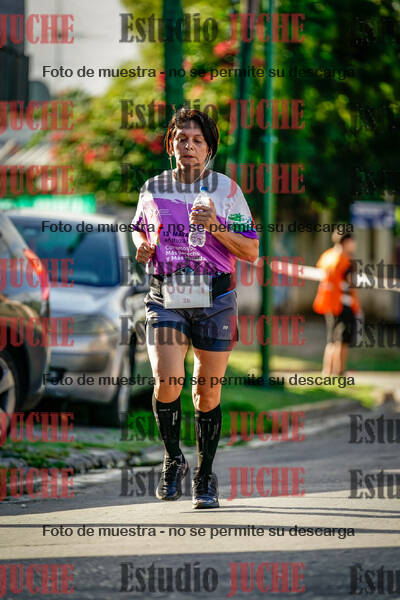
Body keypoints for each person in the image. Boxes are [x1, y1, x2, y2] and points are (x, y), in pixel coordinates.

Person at [131, 108, 259, 509]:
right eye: (181, 139)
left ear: (209, 149)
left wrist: (216, 225)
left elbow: (251, 251)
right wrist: (143, 248)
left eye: (196, 140)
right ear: (171, 145)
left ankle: (205, 475)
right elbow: (140, 232)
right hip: (166, 296)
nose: (188, 146)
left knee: (206, 392)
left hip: (215, 300)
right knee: (166, 380)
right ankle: (173, 459)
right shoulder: (153, 188)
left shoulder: (226, 190)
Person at [313, 230, 361, 375]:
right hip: (343, 304)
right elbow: (351, 283)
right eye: (352, 242)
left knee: (331, 340)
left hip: (328, 303)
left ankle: (327, 371)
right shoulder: (346, 261)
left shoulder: (327, 256)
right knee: (342, 340)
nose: (354, 245)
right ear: (346, 242)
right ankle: (339, 371)